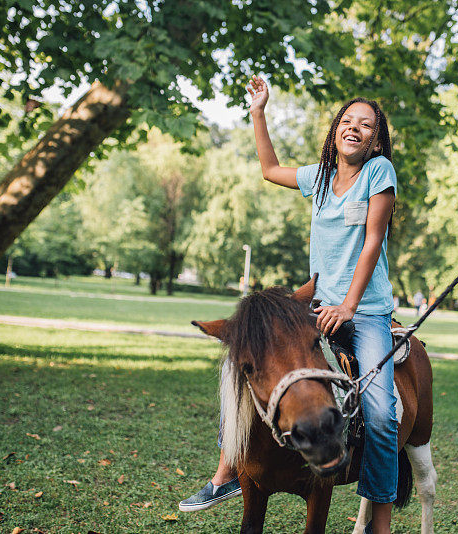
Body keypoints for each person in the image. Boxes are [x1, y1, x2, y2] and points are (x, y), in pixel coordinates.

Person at [180, 76, 399, 534]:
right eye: (348, 120)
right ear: (336, 130)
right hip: (314, 303)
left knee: (380, 414)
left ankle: (379, 517)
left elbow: (372, 241)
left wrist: (351, 307)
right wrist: (259, 111)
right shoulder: (318, 178)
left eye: (366, 124)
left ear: (376, 140)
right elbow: (268, 168)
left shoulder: (379, 173)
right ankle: (228, 473)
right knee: (247, 362)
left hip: (366, 309)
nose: (354, 127)